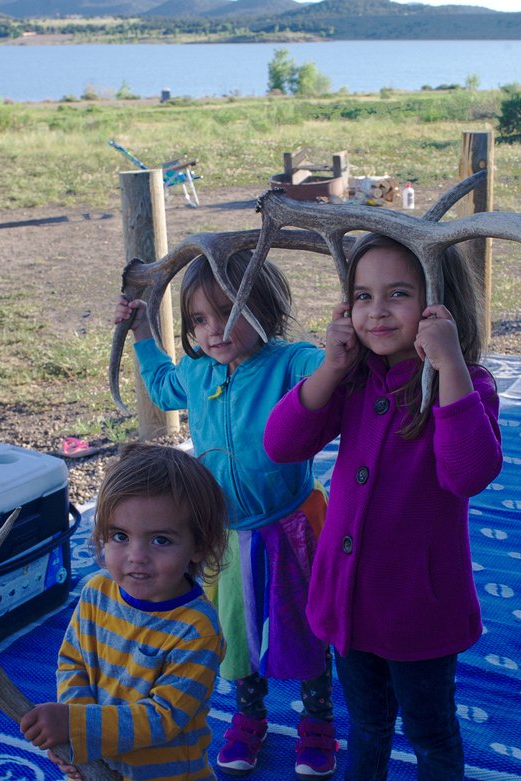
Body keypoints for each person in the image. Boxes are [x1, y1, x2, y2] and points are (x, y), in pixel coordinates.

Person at [263, 234, 503, 780]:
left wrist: (449, 367)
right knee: (367, 728)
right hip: (349, 602)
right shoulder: (352, 380)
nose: (376, 312)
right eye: (363, 296)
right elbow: (281, 444)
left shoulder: (467, 386)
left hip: (418, 607)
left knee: (430, 736)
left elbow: (469, 474)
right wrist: (329, 366)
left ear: (439, 302)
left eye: (398, 294)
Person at [114, 251, 336, 779]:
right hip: (225, 534)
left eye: (229, 311)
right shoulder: (196, 369)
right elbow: (165, 385)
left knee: (305, 626)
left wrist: (340, 350)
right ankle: (249, 716)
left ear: (264, 306)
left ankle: (318, 722)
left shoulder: (291, 361)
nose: (214, 330)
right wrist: (144, 331)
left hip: (293, 525)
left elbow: (328, 370)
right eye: (198, 319)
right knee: (234, 632)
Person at [19, 443, 229, 781]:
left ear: (200, 545)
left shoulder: (196, 630)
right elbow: (74, 663)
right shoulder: (95, 594)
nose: (136, 556)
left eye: (160, 540)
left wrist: (76, 727)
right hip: (97, 766)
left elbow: (164, 718)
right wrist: (77, 737)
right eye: (120, 536)